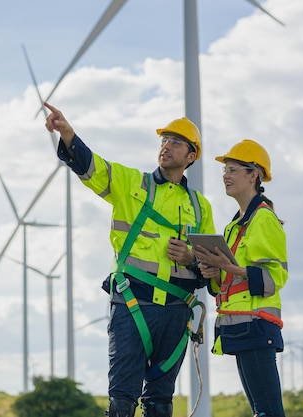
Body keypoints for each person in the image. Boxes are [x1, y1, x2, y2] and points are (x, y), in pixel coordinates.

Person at [44, 102, 215, 417]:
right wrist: (67, 133)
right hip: (133, 305)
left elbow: (211, 267)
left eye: (176, 142)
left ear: (192, 156)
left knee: (161, 401)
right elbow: (92, 167)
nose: (166, 146)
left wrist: (191, 257)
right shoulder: (131, 183)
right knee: (122, 399)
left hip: (177, 312)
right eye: (164, 140)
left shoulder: (200, 206)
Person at [193, 139, 288, 417]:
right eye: (225, 170)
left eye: (233, 169)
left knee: (268, 412)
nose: (226, 176)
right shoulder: (234, 226)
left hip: (257, 327)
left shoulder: (264, 219)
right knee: (262, 411)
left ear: (253, 175)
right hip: (241, 327)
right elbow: (226, 283)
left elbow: (274, 277)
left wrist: (230, 268)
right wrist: (213, 271)